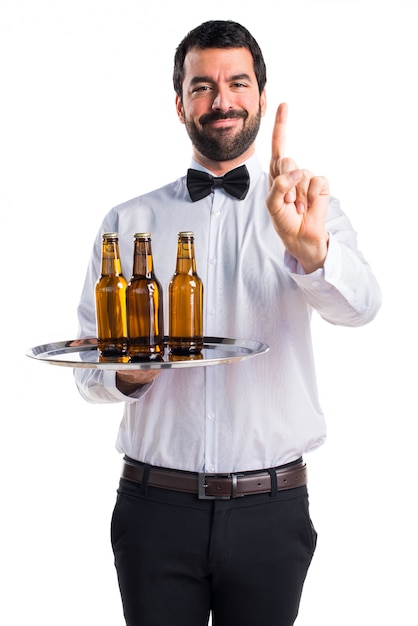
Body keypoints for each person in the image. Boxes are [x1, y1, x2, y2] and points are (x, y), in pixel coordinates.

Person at [74, 19, 381, 626]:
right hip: (154, 507)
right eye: (202, 86)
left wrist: (312, 253)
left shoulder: (307, 207)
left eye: (237, 83)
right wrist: (130, 377)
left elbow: (363, 307)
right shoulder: (127, 220)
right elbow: (88, 373)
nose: (222, 101)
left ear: (261, 97)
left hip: (271, 508)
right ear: (180, 102)